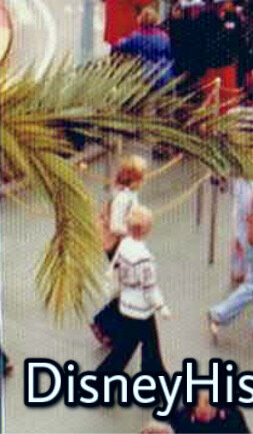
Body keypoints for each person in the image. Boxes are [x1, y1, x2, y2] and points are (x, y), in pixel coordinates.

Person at [95, 206, 170, 381]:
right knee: (126, 348)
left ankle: (154, 376)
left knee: (145, 344)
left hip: (127, 303)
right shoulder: (144, 257)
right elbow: (150, 287)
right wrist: (162, 306)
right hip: (141, 308)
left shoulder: (124, 246)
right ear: (145, 229)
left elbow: (114, 271)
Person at [208, 180, 253, 341]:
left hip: (245, 235)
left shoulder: (240, 182)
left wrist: (238, 236)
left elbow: (236, 210)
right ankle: (220, 314)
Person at [91, 156, 148, 346]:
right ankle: (103, 322)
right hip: (118, 247)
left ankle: (110, 325)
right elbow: (116, 226)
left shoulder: (129, 194)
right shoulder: (122, 198)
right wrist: (135, 229)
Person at [113, 7, 175, 87]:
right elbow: (170, 54)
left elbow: (118, 45)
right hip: (164, 75)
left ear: (140, 20)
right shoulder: (164, 36)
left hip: (144, 76)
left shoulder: (136, 37)